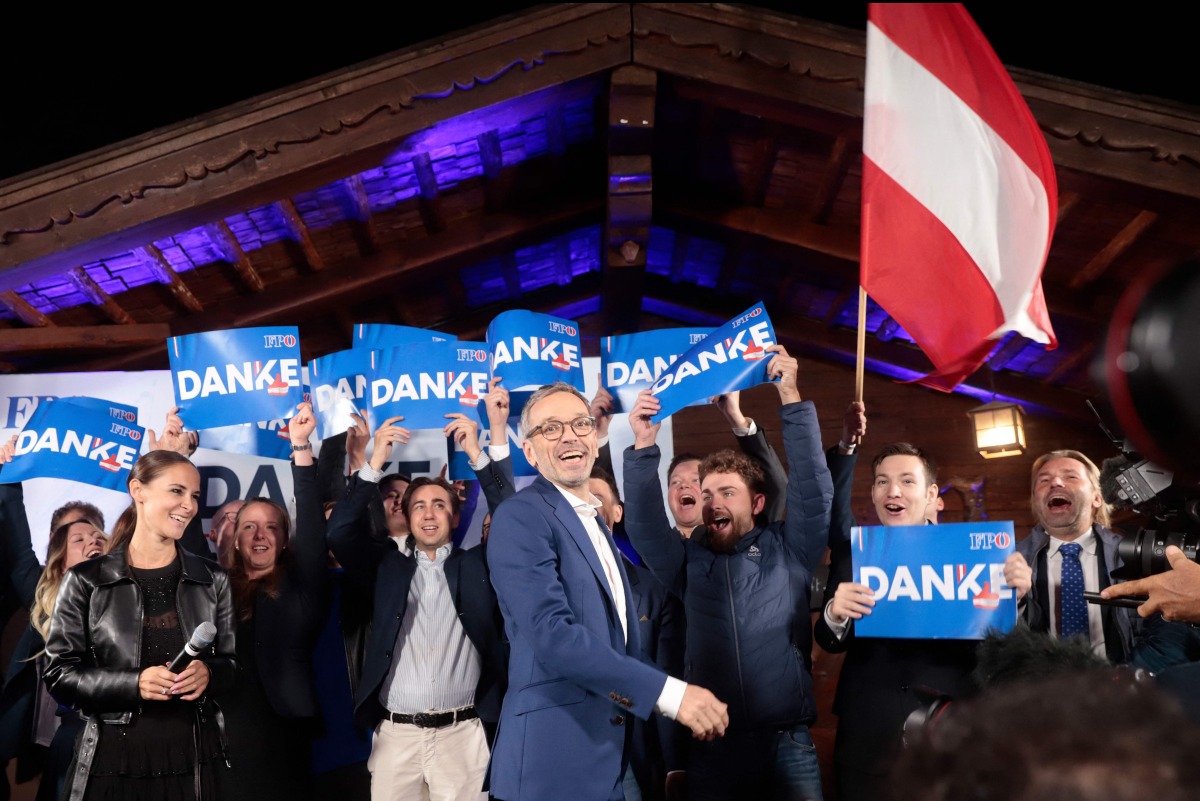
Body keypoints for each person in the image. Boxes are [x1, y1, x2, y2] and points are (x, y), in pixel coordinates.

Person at [486, 381, 728, 801]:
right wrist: (671, 694)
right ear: (529, 451)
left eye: (580, 424)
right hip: (551, 769)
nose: (569, 436)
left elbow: (618, 649)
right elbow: (552, 634)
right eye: (551, 429)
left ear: (594, 442)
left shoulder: (596, 525)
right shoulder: (521, 515)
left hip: (607, 763)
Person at [621, 344, 832, 801]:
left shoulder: (790, 548)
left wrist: (790, 396)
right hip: (713, 745)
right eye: (707, 492)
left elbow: (813, 488)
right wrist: (642, 445)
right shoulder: (687, 564)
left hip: (787, 743)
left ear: (757, 503)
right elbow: (643, 527)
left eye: (727, 492)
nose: (713, 501)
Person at [326, 416, 506, 801]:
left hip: (463, 736)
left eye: (439, 505)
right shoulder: (385, 567)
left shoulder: (479, 565)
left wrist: (476, 453)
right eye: (419, 506)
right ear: (407, 518)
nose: (427, 513)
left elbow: (513, 518)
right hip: (396, 739)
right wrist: (374, 463)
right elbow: (339, 531)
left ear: (454, 517)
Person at [43, 449, 236, 801]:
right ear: (138, 490)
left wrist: (209, 673)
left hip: (193, 761)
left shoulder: (213, 579)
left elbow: (232, 665)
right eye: (176, 491)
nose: (189, 506)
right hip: (113, 762)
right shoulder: (86, 580)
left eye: (194, 496)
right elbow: (59, 674)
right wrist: (134, 683)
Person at [815, 443, 979, 801]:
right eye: (882, 482)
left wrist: (1016, 600)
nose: (893, 491)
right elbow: (829, 640)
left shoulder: (970, 552)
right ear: (874, 493)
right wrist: (835, 613)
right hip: (869, 735)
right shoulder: (852, 554)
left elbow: (997, 641)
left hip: (951, 733)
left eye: (907, 481)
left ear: (931, 494)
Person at [221, 402, 331, 801]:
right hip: (224, 735)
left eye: (271, 527)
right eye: (248, 526)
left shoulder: (303, 586)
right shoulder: (214, 587)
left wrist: (300, 447)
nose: (259, 534)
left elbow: (315, 530)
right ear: (235, 538)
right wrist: (175, 455)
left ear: (284, 540)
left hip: (286, 735)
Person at [1007, 449, 1135, 661]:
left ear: (1097, 498)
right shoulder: (1009, 562)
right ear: (1035, 502)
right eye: (1044, 480)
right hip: (1042, 688)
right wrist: (1012, 604)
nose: (1055, 482)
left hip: (1119, 685)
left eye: (1071, 477)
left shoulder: (1131, 558)